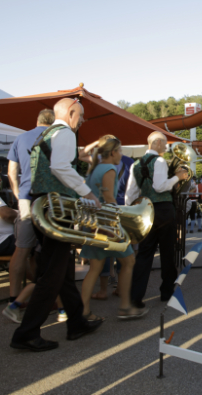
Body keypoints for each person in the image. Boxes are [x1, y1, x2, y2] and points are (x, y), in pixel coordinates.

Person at [11, 98, 103, 352]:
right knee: (52, 274)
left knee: (61, 270)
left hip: (44, 205)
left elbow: (53, 167)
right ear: (71, 112)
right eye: (81, 115)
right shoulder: (64, 133)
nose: (82, 120)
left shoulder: (47, 134)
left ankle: (76, 323)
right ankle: (26, 333)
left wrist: (81, 160)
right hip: (56, 208)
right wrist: (87, 193)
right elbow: (60, 167)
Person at [79, 135, 144, 320]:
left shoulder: (95, 168)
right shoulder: (109, 168)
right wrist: (121, 226)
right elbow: (109, 200)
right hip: (107, 224)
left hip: (95, 224)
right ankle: (124, 307)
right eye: (120, 151)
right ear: (113, 152)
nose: (121, 155)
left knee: (95, 268)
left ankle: (83, 310)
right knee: (129, 261)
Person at [126, 131, 188, 312]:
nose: (167, 147)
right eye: (165, 143)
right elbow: (160, 186)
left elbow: (130, 194)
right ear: (158, 143)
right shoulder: (159, 161)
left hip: (144, 210)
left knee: (144, 254)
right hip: (163, 210)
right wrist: (178, 177)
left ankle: (135, 297)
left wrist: (132, 212)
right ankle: (166, 291)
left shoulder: (136, 164)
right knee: (167, 252)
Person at [6, 109, 54, 306]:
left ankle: (14, 297)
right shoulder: (56, 138)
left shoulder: (20, 138)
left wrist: (18, 194)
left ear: (37, 120)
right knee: (50, 251)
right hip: (49, 199)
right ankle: (48, 296)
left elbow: (11, 171)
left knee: (22, 249)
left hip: (26, 197)